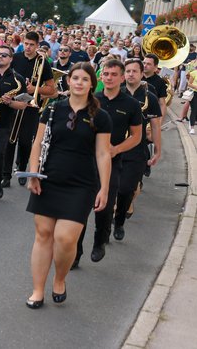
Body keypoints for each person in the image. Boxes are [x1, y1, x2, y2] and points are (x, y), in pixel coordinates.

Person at [25, 62, 112, 309]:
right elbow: (38, 143)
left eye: (85, 79)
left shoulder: (100, 116)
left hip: (81, 184)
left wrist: (104, 188)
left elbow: (104, 155)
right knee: (43, 235)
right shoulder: (52, 110)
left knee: (64, 238)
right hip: (48, 179)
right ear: (69, 81)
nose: (79, 83)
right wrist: (34, 173)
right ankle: (38, 290)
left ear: (91, 85)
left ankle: (60, 278)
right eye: (75, 78)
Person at [72, 59, 142, 266]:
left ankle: (100, 241)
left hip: (113, 162)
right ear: (100, 77)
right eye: (106, 74)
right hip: (86, 161)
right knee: (81, 207)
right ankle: (76, 252)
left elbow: (136, 137)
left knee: (104, 206)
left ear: (121, 78)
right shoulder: (92, 99)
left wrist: (116, 150)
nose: (109, 78)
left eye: (114, 75)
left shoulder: (131, 104)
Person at [114, 59, 162, 241]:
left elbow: (156, 126)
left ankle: (119, 222)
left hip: (137, 148)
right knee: (113, 188)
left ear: (142, 74)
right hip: (115, 147)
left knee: (127, 189)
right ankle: (103, 232)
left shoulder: (150, 96)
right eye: (127, 71)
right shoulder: (116, 93)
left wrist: (157, 150)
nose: (130, 74)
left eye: (135, 71)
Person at [6, 32, 56, 188]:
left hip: (31, 107)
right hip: (14, 104)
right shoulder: (15, 58)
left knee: (26, 141)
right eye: (26, 44)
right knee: (9, 140)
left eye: (31, 45)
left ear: (37, 45)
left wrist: (35, 89)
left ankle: (21, 168)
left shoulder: (43, 62)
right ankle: (5, 174)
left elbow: (52, 90)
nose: (28, 47)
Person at [0, 45, 27, 199]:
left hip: (3, 124)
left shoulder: (19, 79)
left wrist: (9, 102)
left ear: (11, 59)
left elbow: (23, 104)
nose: (0, 57)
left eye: (4, 55)